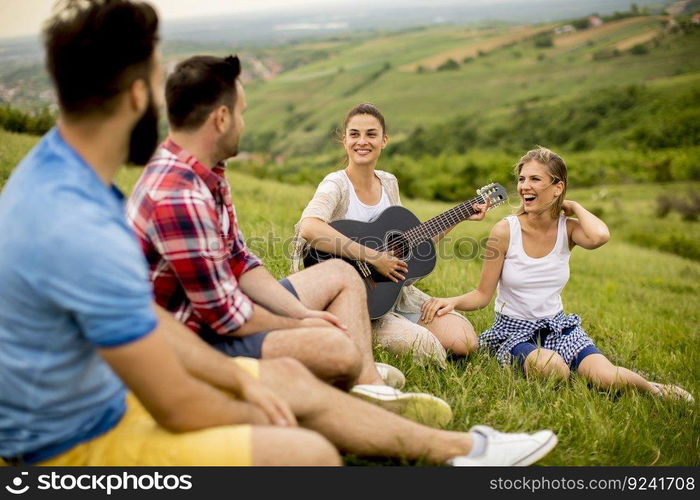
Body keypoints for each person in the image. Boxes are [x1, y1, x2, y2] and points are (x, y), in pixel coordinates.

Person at [0, 0, 559, 467]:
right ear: (139, 96)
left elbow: (147, 318)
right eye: (157, 76)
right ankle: (404, 429)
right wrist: (254, 390)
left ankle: (463, 449)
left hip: (118, 384)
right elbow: (174, 397)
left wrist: (263, 375)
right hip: (71, 442)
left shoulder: (68, 180)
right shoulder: (80, 222)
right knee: (310, 452)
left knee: (293, 376)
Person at [126, 56, 452, 425]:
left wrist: (303, 312)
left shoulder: (211, 174)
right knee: (337, 347)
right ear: (221, 118)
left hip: (227, 311)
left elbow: (241, 261)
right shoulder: (179, 195)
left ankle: (368, 384)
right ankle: (360, 382)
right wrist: (303, 327)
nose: (244, 122)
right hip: (196, 341)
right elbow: (225, 316)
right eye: (243, 113)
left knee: (341, 277)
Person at [420, 147, 694, 403]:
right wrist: (453, 301)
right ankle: (561, 367)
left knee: (608, 378)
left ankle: (656, 389)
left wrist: (573, 207)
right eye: (522, 178)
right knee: (553, 369)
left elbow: (600, 236)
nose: (524, 186)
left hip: (559, 328)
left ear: (557, 187)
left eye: (535, 179)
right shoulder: (505, 231)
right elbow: (482, 295)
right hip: (513, 332)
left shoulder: (569, 229)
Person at [294, 103, 484, 366]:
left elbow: (411, 243)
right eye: (355, 134)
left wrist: (460, 216)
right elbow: (310, 227)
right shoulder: (336, 184)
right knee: (426, 347)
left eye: (371, 134)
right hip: (355, 300)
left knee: (465, 340)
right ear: (345, 140)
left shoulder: (389, 182)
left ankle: (403, 325)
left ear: (384, 140)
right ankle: (355, 332)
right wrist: (372, 257)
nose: (363, 141)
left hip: (393, 294)